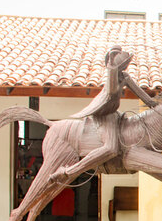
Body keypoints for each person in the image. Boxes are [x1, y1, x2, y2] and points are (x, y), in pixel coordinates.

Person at [49, 45, 133, 183]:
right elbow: (112, 91)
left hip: (115, 115)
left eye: (125, 63)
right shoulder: (112, 77)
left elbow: (145, 97)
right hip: (104, 115)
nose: (124, 66)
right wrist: (111, 64)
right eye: (122, 63)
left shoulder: (125, 77)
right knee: (111, 147)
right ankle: (68, 171)